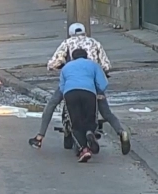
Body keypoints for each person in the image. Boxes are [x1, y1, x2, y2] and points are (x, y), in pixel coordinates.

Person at [28, 22, 130, 155]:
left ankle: (40, 137)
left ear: (70, 33)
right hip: (93, 83)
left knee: (52, 104)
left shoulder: (67, 43)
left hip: (72, 83)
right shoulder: (95, 43)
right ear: (85, 32)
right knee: (106, 112)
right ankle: (121, 131)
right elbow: (106, 65)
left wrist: (61, 66)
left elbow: (52, 64)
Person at [60, 48, 108, 162]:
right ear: (86, 56)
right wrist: (98, 92)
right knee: (90, 118)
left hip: (70, 93)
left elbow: (61, 86)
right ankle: (90, 131)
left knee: (75, 123)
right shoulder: (93, 65)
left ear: (73, 57)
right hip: (88, 93)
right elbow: (103, 83)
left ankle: (84, 149)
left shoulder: (66, 67)